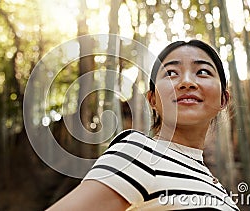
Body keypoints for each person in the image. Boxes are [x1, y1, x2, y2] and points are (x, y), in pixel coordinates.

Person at [47, 40, 239, 210]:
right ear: (152, 99)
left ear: (224, 99)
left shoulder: (216, 187)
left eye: (203, 72)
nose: (186, 82)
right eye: (171, 73)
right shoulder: (139, 154)